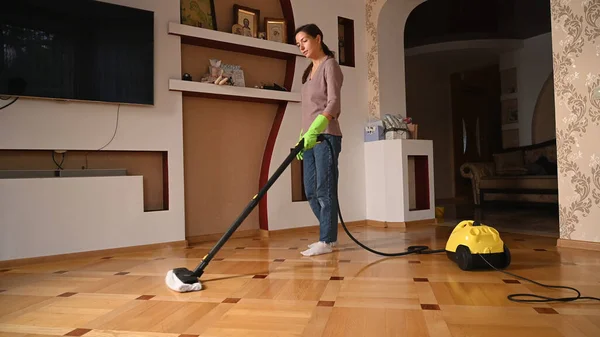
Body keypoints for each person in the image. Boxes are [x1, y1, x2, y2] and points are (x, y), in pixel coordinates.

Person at [294, 24, 344, 257]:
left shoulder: (329, 65)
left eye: (304, 41)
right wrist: (303, 135)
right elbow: (309, 110)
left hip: (326, 136)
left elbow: (333, 103)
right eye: (298, 44)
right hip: (311, 138)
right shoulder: (307, 73)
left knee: (325, 189)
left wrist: (317, 128)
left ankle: (327, 240)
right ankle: (328, 234)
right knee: (310, 191)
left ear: (318, 38)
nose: (301, 47)